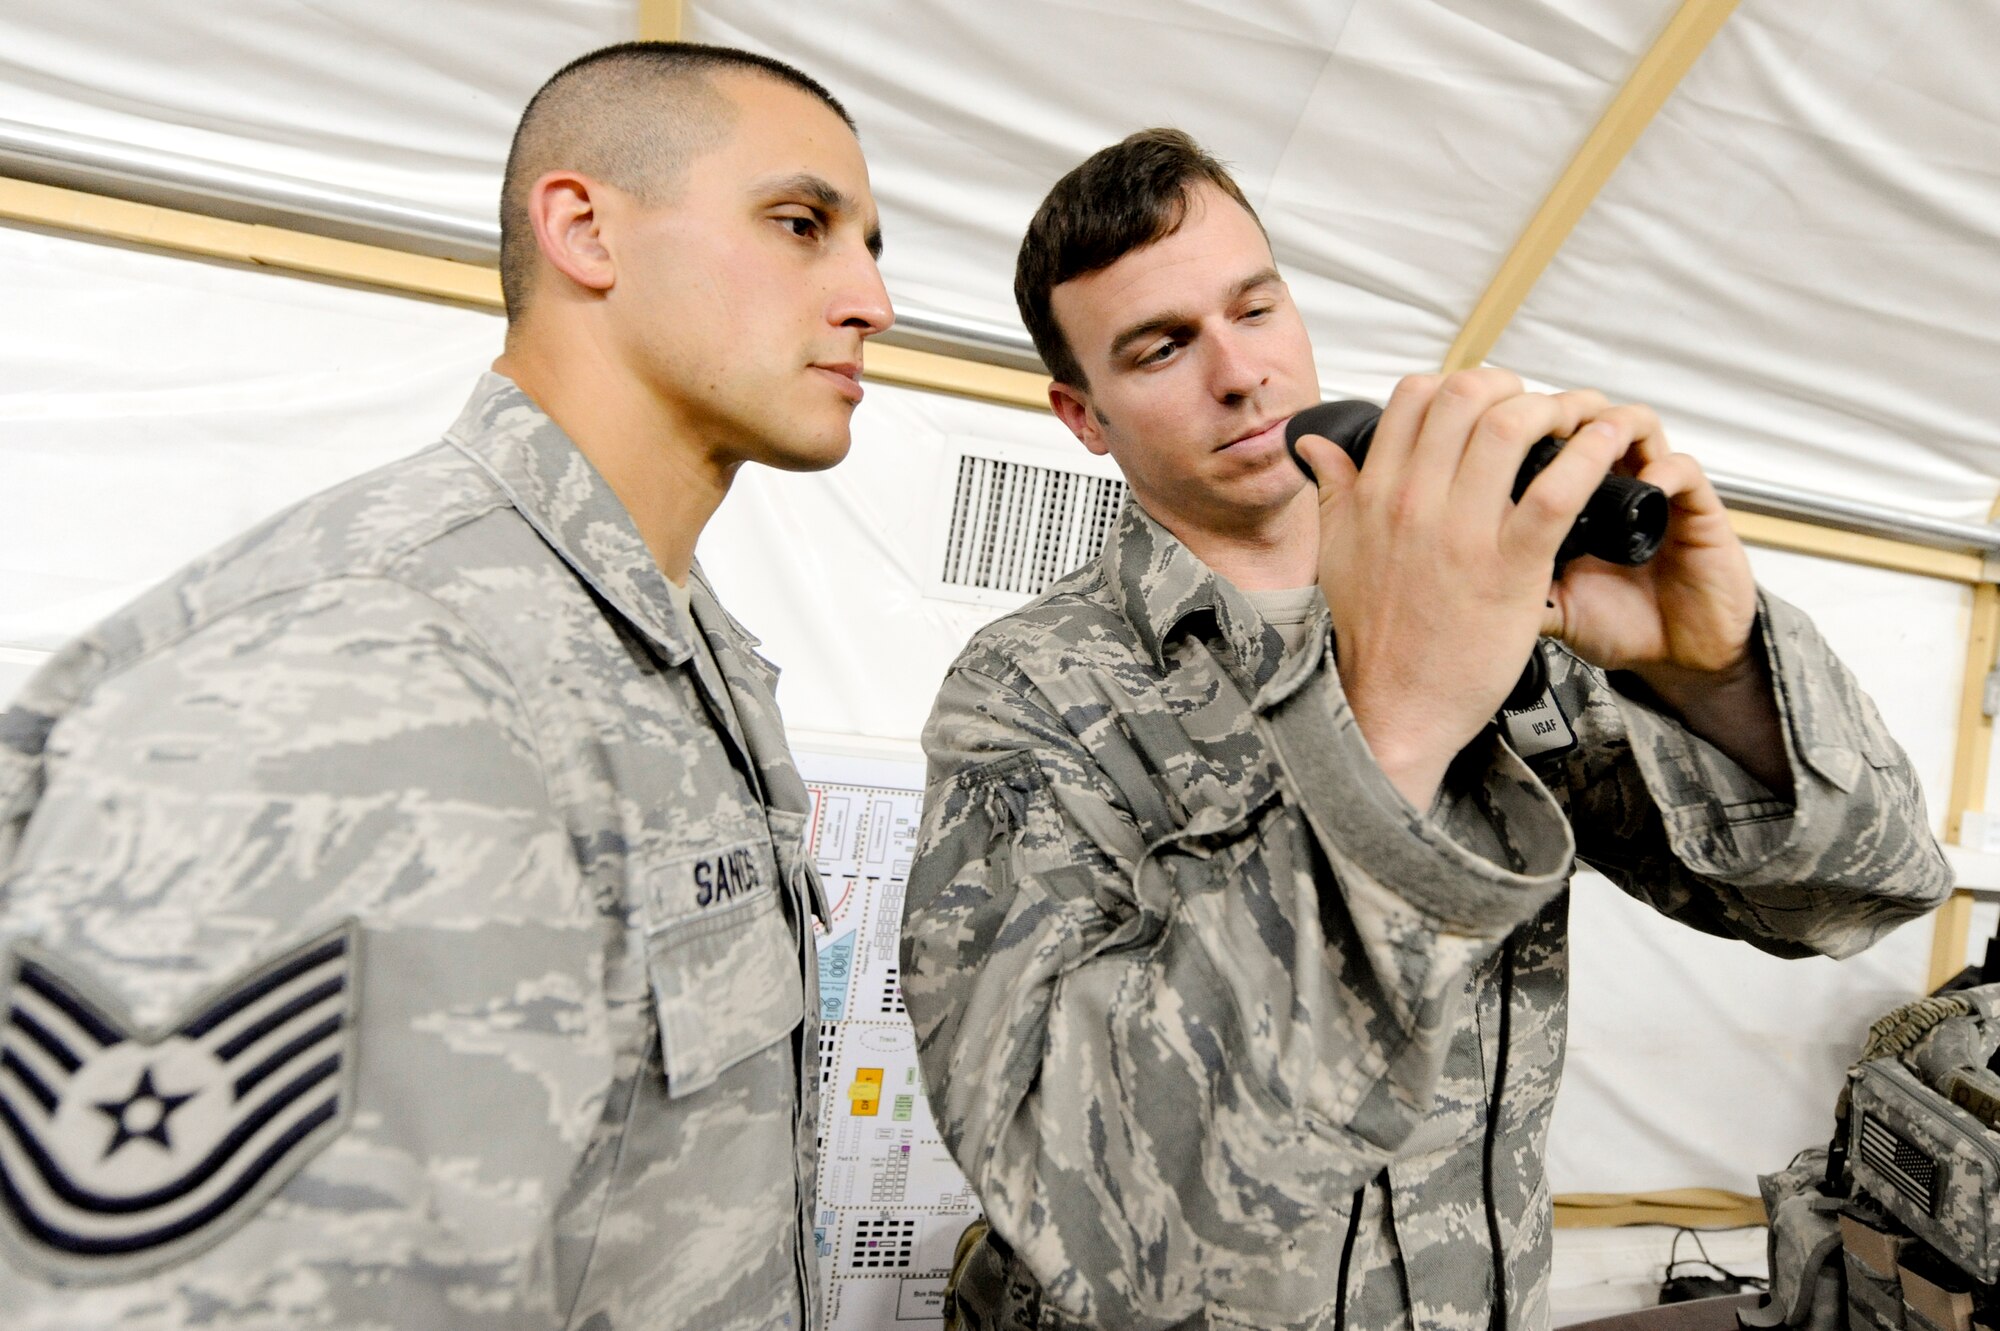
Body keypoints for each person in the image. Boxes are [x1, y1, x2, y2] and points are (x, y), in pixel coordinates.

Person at [900, 127, 1951, 1331]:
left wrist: (1709, 675)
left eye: (1254, 308)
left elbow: (1854, 896)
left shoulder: (1492, 600)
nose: (1239, 373)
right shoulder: (1027, 693)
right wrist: (1389, 722)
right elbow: (1088, 1211)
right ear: (1081, 415)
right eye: (1161, 347)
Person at [0, 41, 891, 1329]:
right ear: (584, 231)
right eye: (801, 224)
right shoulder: (369, 662)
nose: (871, 298)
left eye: (869, 245)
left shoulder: (663, 647)